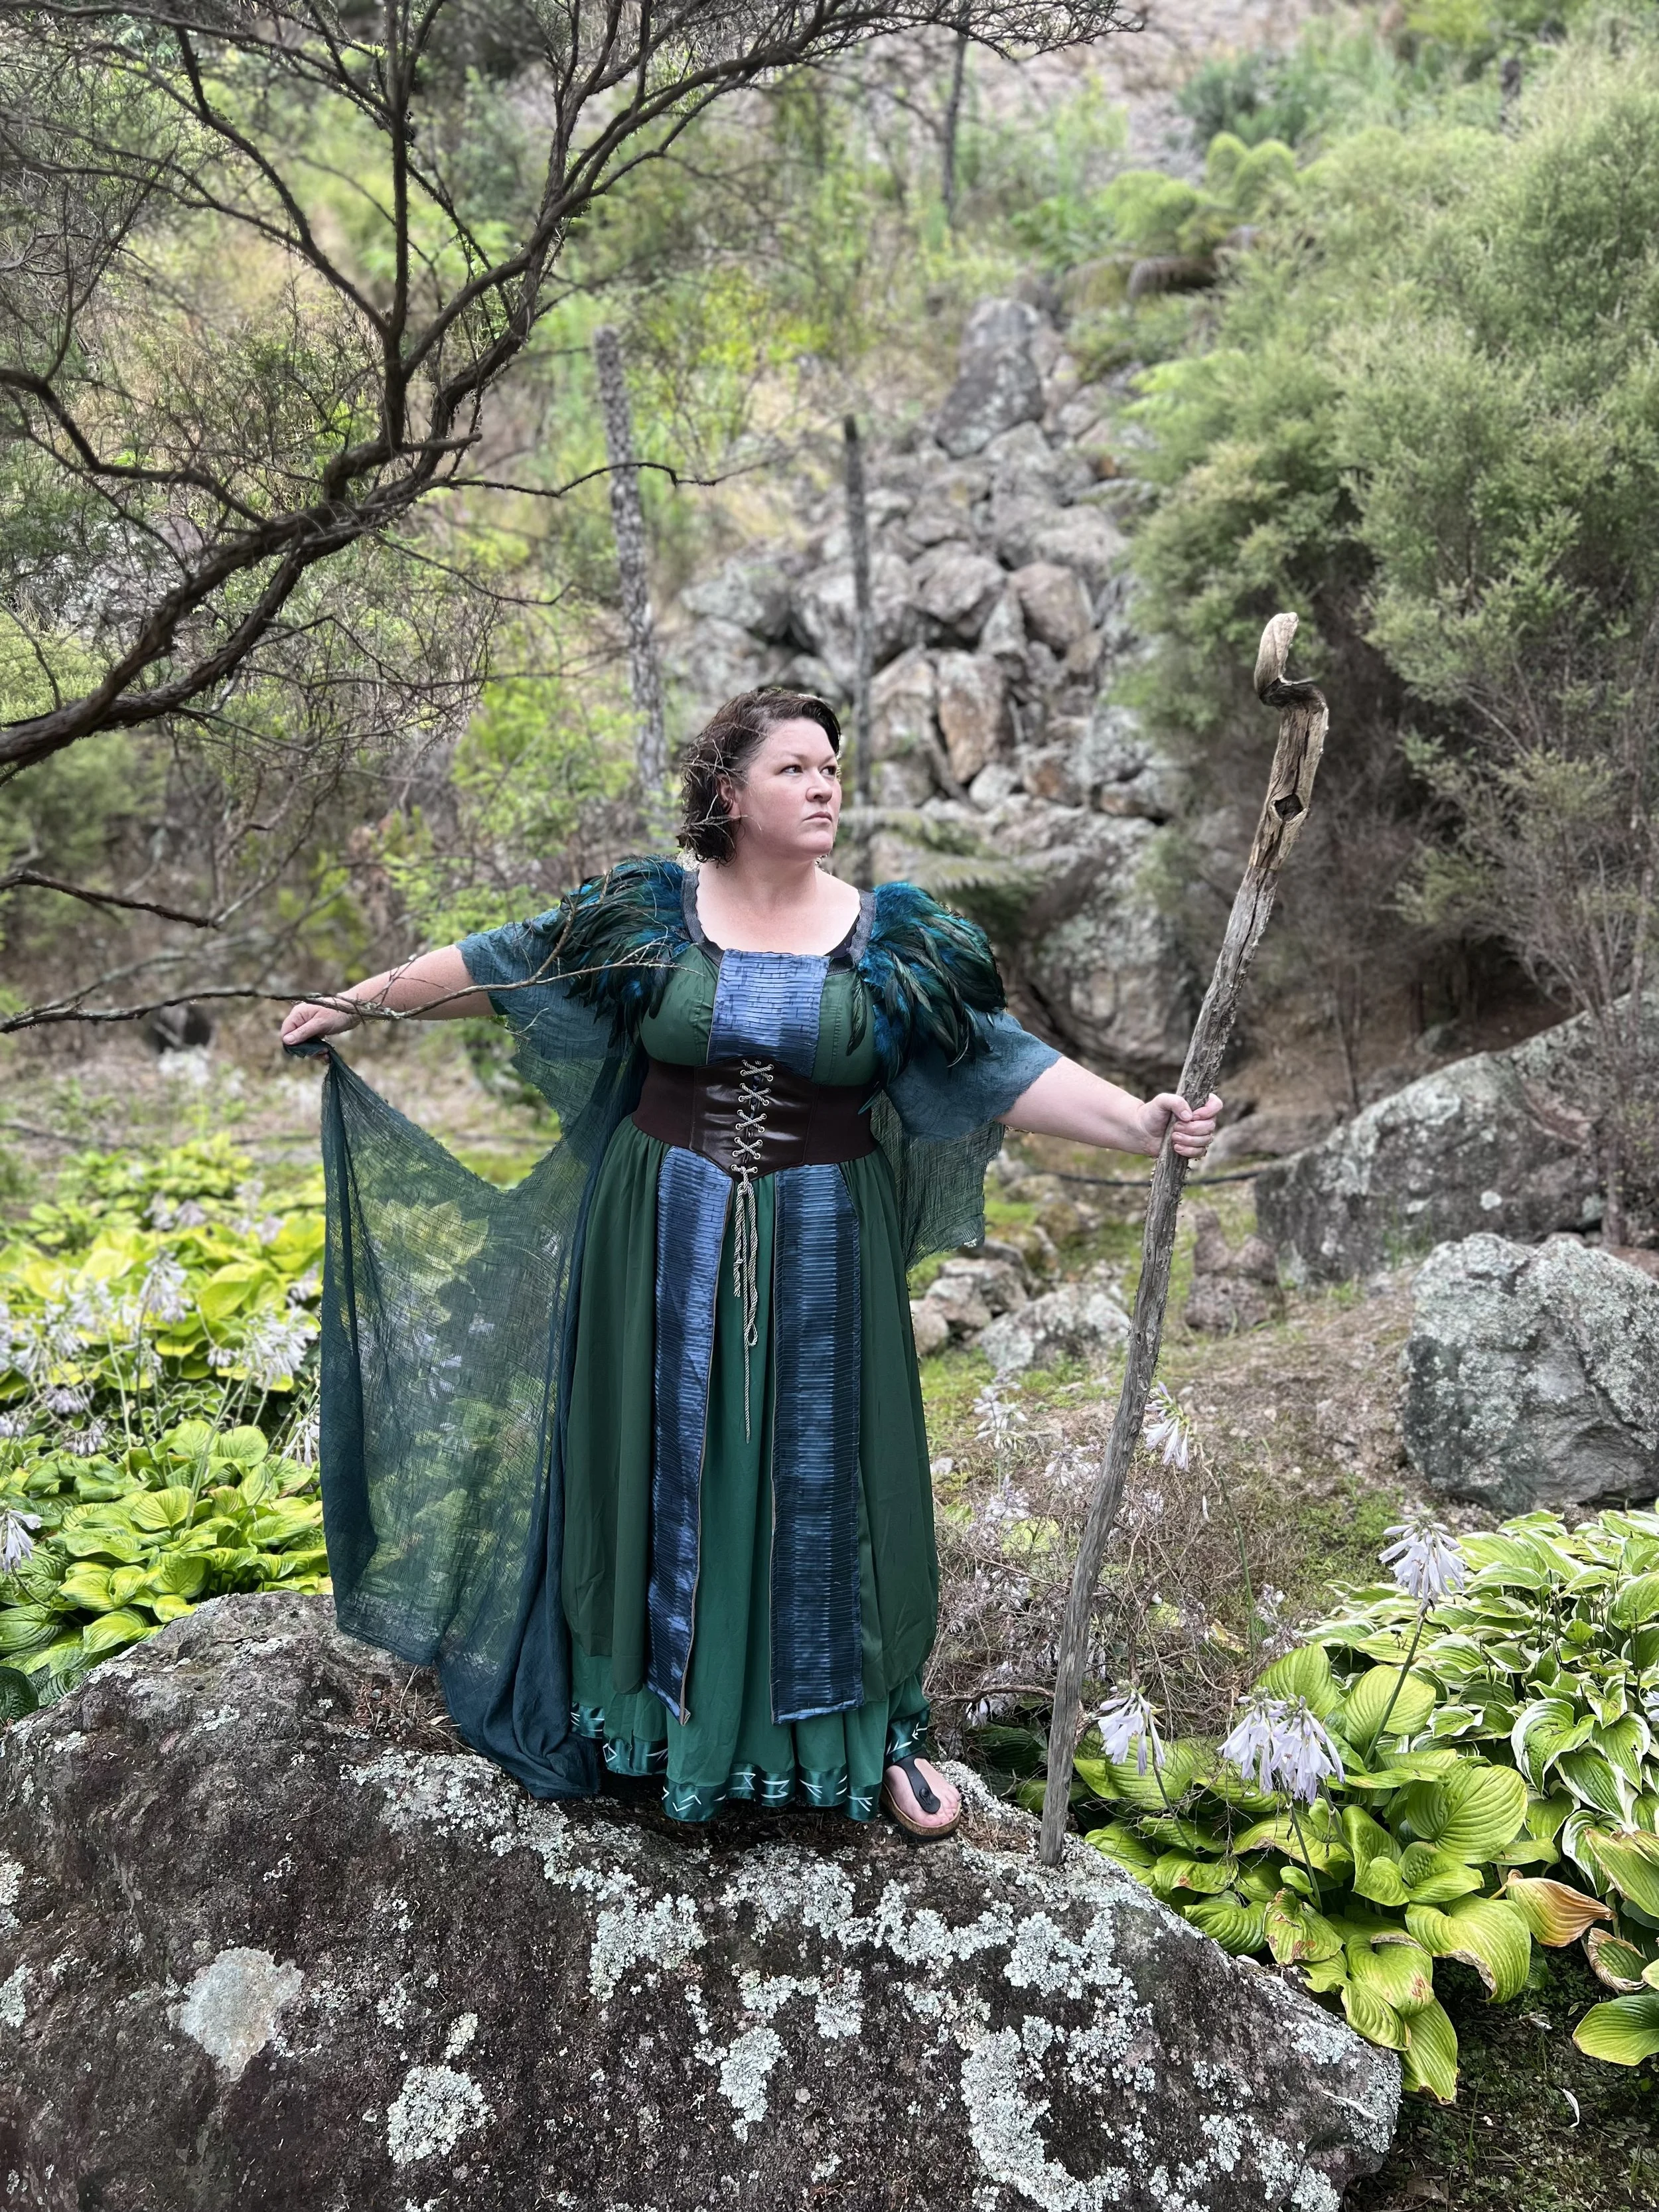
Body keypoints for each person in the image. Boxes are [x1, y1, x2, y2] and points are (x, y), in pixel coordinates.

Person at [282, 689, 1219, 1839]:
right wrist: (359, 1002)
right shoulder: (651, 915)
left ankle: (861, 1736)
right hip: (654, 1231)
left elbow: (998, 1066)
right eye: (796, 769)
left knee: (832, 1477)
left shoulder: (893, 938)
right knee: (652, 1460)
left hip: (828, 1242)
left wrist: (1139, 1121)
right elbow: (503, 966)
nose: (825, 785)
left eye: (832, 768)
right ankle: (650, 1719)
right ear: (729, 794)